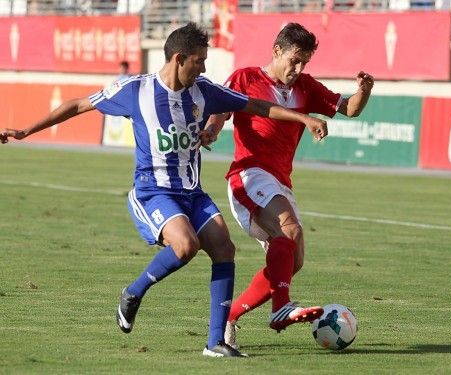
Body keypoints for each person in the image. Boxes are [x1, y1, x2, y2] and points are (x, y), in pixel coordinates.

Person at [0, 22, 328, 358]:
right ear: (178, 58)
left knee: (224, 248)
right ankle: (133, 292)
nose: (203, 68)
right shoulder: (134, 90)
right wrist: (26, 130)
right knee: (186, 245)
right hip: (153, 192)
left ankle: (215, 341)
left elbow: (257, 106)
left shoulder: (204, 91)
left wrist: (304, 119)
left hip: (192, 192)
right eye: (199, 61)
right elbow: (78, 105)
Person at [204, 22, 374, 349]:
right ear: (277, 50)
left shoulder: (307, 87)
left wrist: (363, 90)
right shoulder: (245, 78)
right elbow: (220, 110)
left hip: (280, 182)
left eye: (304, 63)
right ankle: (280, 308)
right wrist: (211, 130)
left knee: (292, 261)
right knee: (290, 231)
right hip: (248, 174)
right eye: (294, 60)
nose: (298, 69)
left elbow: (350, 109)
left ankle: (229, 318)